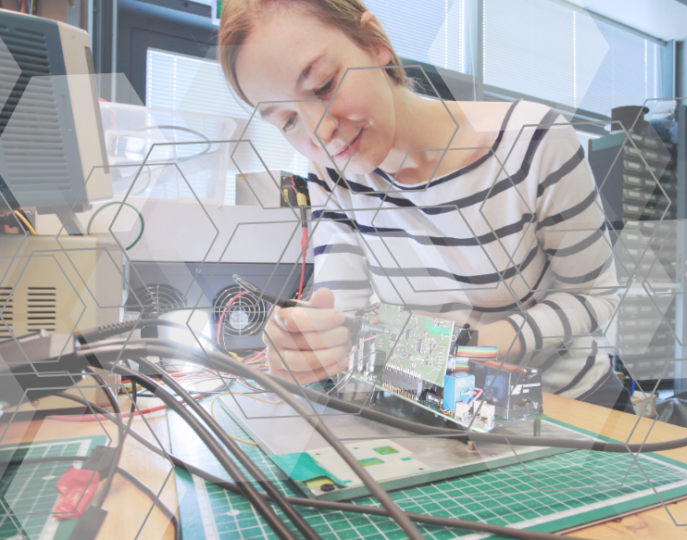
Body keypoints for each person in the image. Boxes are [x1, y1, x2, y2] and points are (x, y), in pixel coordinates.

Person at [218, 0, 633, 413]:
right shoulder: (331, 173)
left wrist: (467, 351)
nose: (322, 133)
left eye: (324, 85)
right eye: (287, 120)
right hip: (452, 405)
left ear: (374, 42)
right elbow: (344, 315)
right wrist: (308, 341)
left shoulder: (533, 142)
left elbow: (593, 295)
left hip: (572, 409)